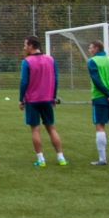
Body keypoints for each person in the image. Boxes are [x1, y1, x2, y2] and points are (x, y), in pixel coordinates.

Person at [19, 35, 65, 166]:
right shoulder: (51, 59)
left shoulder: (27, 62)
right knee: (51, 128)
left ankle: (41, 159)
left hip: (32, 100)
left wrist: (20, 99)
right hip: (47, 99)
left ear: (31, 46)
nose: (24, 47)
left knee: (35, 130)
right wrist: (53, 97)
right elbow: (56, 79)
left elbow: (24, 82)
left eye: (25, 45)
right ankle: (61, 158)